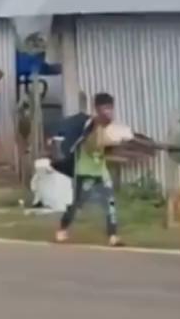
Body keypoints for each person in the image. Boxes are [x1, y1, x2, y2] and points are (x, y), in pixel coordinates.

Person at [55, 92, 123, 247]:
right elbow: (90, 146)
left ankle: (113, 236)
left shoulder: (110, 127)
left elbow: (107, 148)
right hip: (85, 171)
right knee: (77, 204)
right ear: (97, 109)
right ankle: (62, 228)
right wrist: (103, 136)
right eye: (105, 108)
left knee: (110, 202)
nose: (109, 112)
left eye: (110, 108)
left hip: (101, 171)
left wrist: (114, 144)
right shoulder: (89, 125)